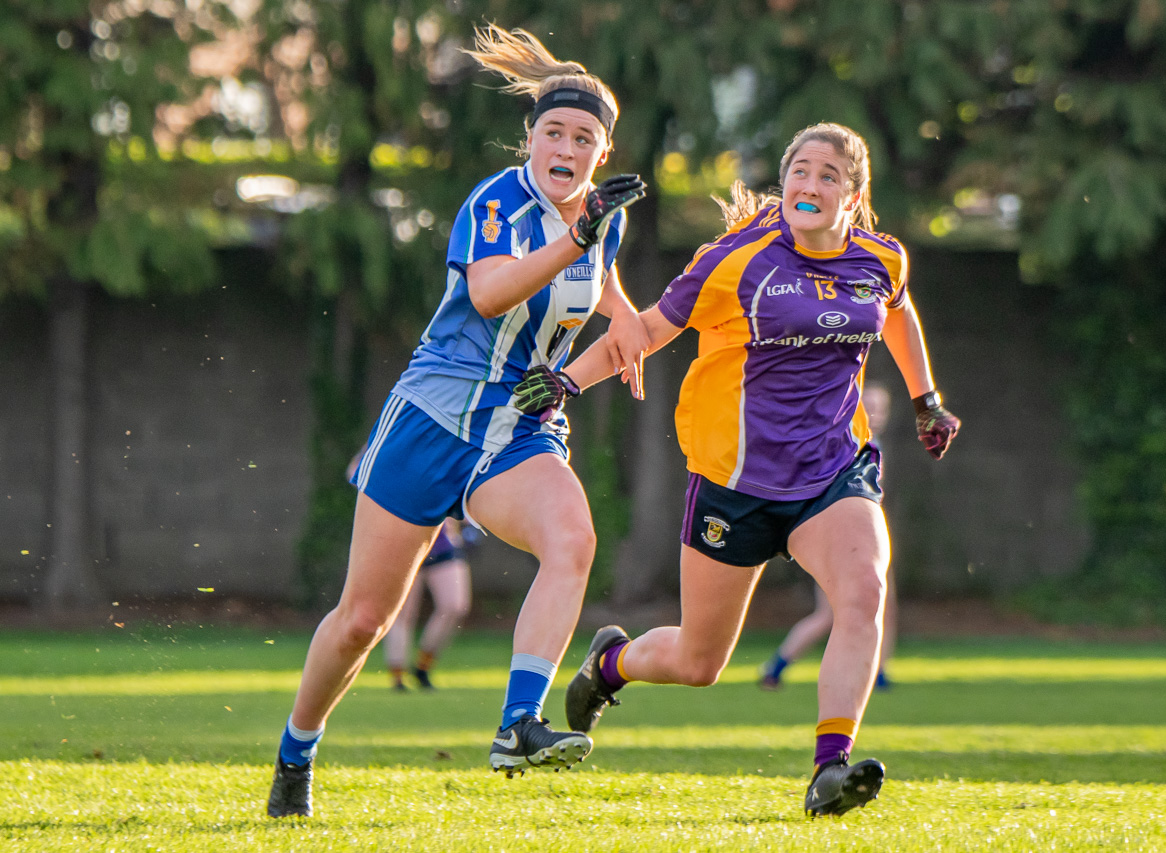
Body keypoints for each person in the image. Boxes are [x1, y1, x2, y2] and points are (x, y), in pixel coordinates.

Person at [267, 24, 649, 817]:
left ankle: (519, 722)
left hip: (515, 428)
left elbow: (626, 328)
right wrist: (579, 238)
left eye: (584, 136)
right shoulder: (497, 200)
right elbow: (488, 294)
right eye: (554, 131)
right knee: (363, 619)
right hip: (434, 415)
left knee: (572, 540)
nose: (567, 146)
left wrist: (581, 373)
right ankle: (296, 752)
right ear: (531, 139)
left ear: (602, 155)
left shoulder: (602, 223)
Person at [549, 122, 960, 817]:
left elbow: (896, 313)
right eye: (799, 170)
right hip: (734, 480)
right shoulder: (738, 259)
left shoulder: (881, 258)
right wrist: (566, 382)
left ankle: (830, 769)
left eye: (828, 175)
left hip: (832, 469)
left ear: (853, 196)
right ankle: (608, 665)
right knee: (698, 663)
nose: (809, 184)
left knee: (863, 589)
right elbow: (647, 329)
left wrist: (927, 400)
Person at [758, 381, 897, 692]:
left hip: (869, 536)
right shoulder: (845, 441)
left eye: (880, 408)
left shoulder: (874, 443)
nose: (875, 413)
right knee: (829, 613)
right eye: (868, 406)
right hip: (841, 538)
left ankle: (878, 673)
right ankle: (777, 666)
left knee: (883, 606)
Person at [381, 517, 473, 691]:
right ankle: (398, 677)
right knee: (403, 613)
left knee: (455, 606)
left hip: (443, 543)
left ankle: (422, 668)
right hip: (404, 545)